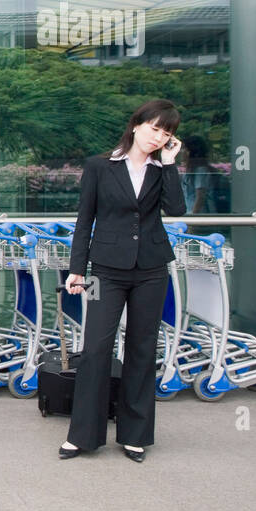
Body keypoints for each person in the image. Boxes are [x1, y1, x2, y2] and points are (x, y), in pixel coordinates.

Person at [60, 99, 184, 463]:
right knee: (96, 349)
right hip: (105, 270)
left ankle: (135, 435)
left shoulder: (161, 168)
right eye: (155, 128)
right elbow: (85, 220)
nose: (158, 137)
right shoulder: (100, 166)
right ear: (136, 125)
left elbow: (176, 210)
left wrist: (171, 163)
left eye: (167, 133)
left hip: (151, 269)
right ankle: (83, 435)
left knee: (142, 350)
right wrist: (76, 269)